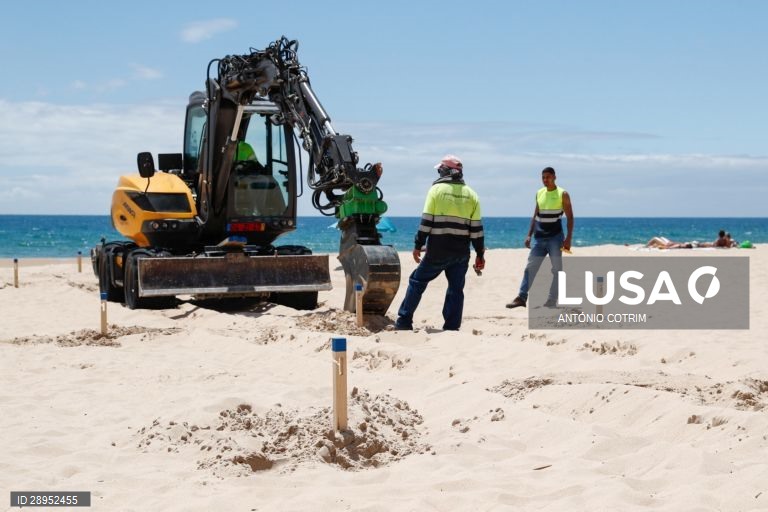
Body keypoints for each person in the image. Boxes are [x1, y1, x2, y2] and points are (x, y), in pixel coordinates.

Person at [394, 154, 485, 331]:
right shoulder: (472, 195)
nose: (438, 172)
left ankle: (404, 321)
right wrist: (480, 254)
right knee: (456, 289)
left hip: (437, 251)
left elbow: (426, 222)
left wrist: (418, 245)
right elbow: (477, 231)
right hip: (461, 253)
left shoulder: (436, 191)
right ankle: (452, 327)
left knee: (417, 281)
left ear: (446, 171)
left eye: (440, 169)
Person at [506, 167, 573, 309]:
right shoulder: (539, 193)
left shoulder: (563, 194)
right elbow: (536, 216)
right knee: (530, 268)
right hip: (539, 238)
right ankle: (521, 298)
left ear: (555, 177)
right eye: (543, 177)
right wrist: (529, 235)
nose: (545, 180)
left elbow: (570, 217)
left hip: (556, 238)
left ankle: (551, 300)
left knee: (556, 270)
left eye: (548, 177)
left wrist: (568, 238)